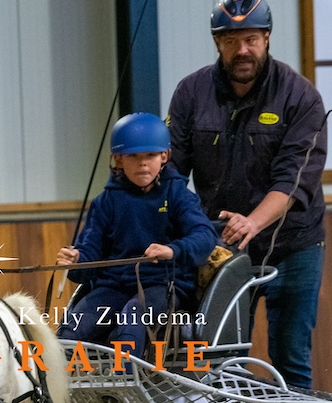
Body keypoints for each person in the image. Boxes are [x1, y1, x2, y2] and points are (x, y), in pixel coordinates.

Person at [167, 0, 327, 389]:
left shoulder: (300, 96)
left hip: (294, 244)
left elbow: (294, 180)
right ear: (217, 43)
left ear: (268, 38)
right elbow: (169, 173)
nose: (243, 49)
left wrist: (253, 221)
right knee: (220, 357)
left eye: (251, 39)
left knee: (290, 358)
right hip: (222, 247)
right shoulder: (191, 93)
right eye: (231, 41)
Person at [56, 112, 217, 358]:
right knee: (70, 331)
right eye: (133, 156)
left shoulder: (178, 194)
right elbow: (90, 254)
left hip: (163, 286)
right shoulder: (105, 202)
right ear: (118, 160)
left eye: (150, 155)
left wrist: (173, 250)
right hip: (113, 286)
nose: (143, 163)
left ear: (165, 156)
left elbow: (205, 236)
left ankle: (128, 394)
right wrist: (76, 261)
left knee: (132, 322)